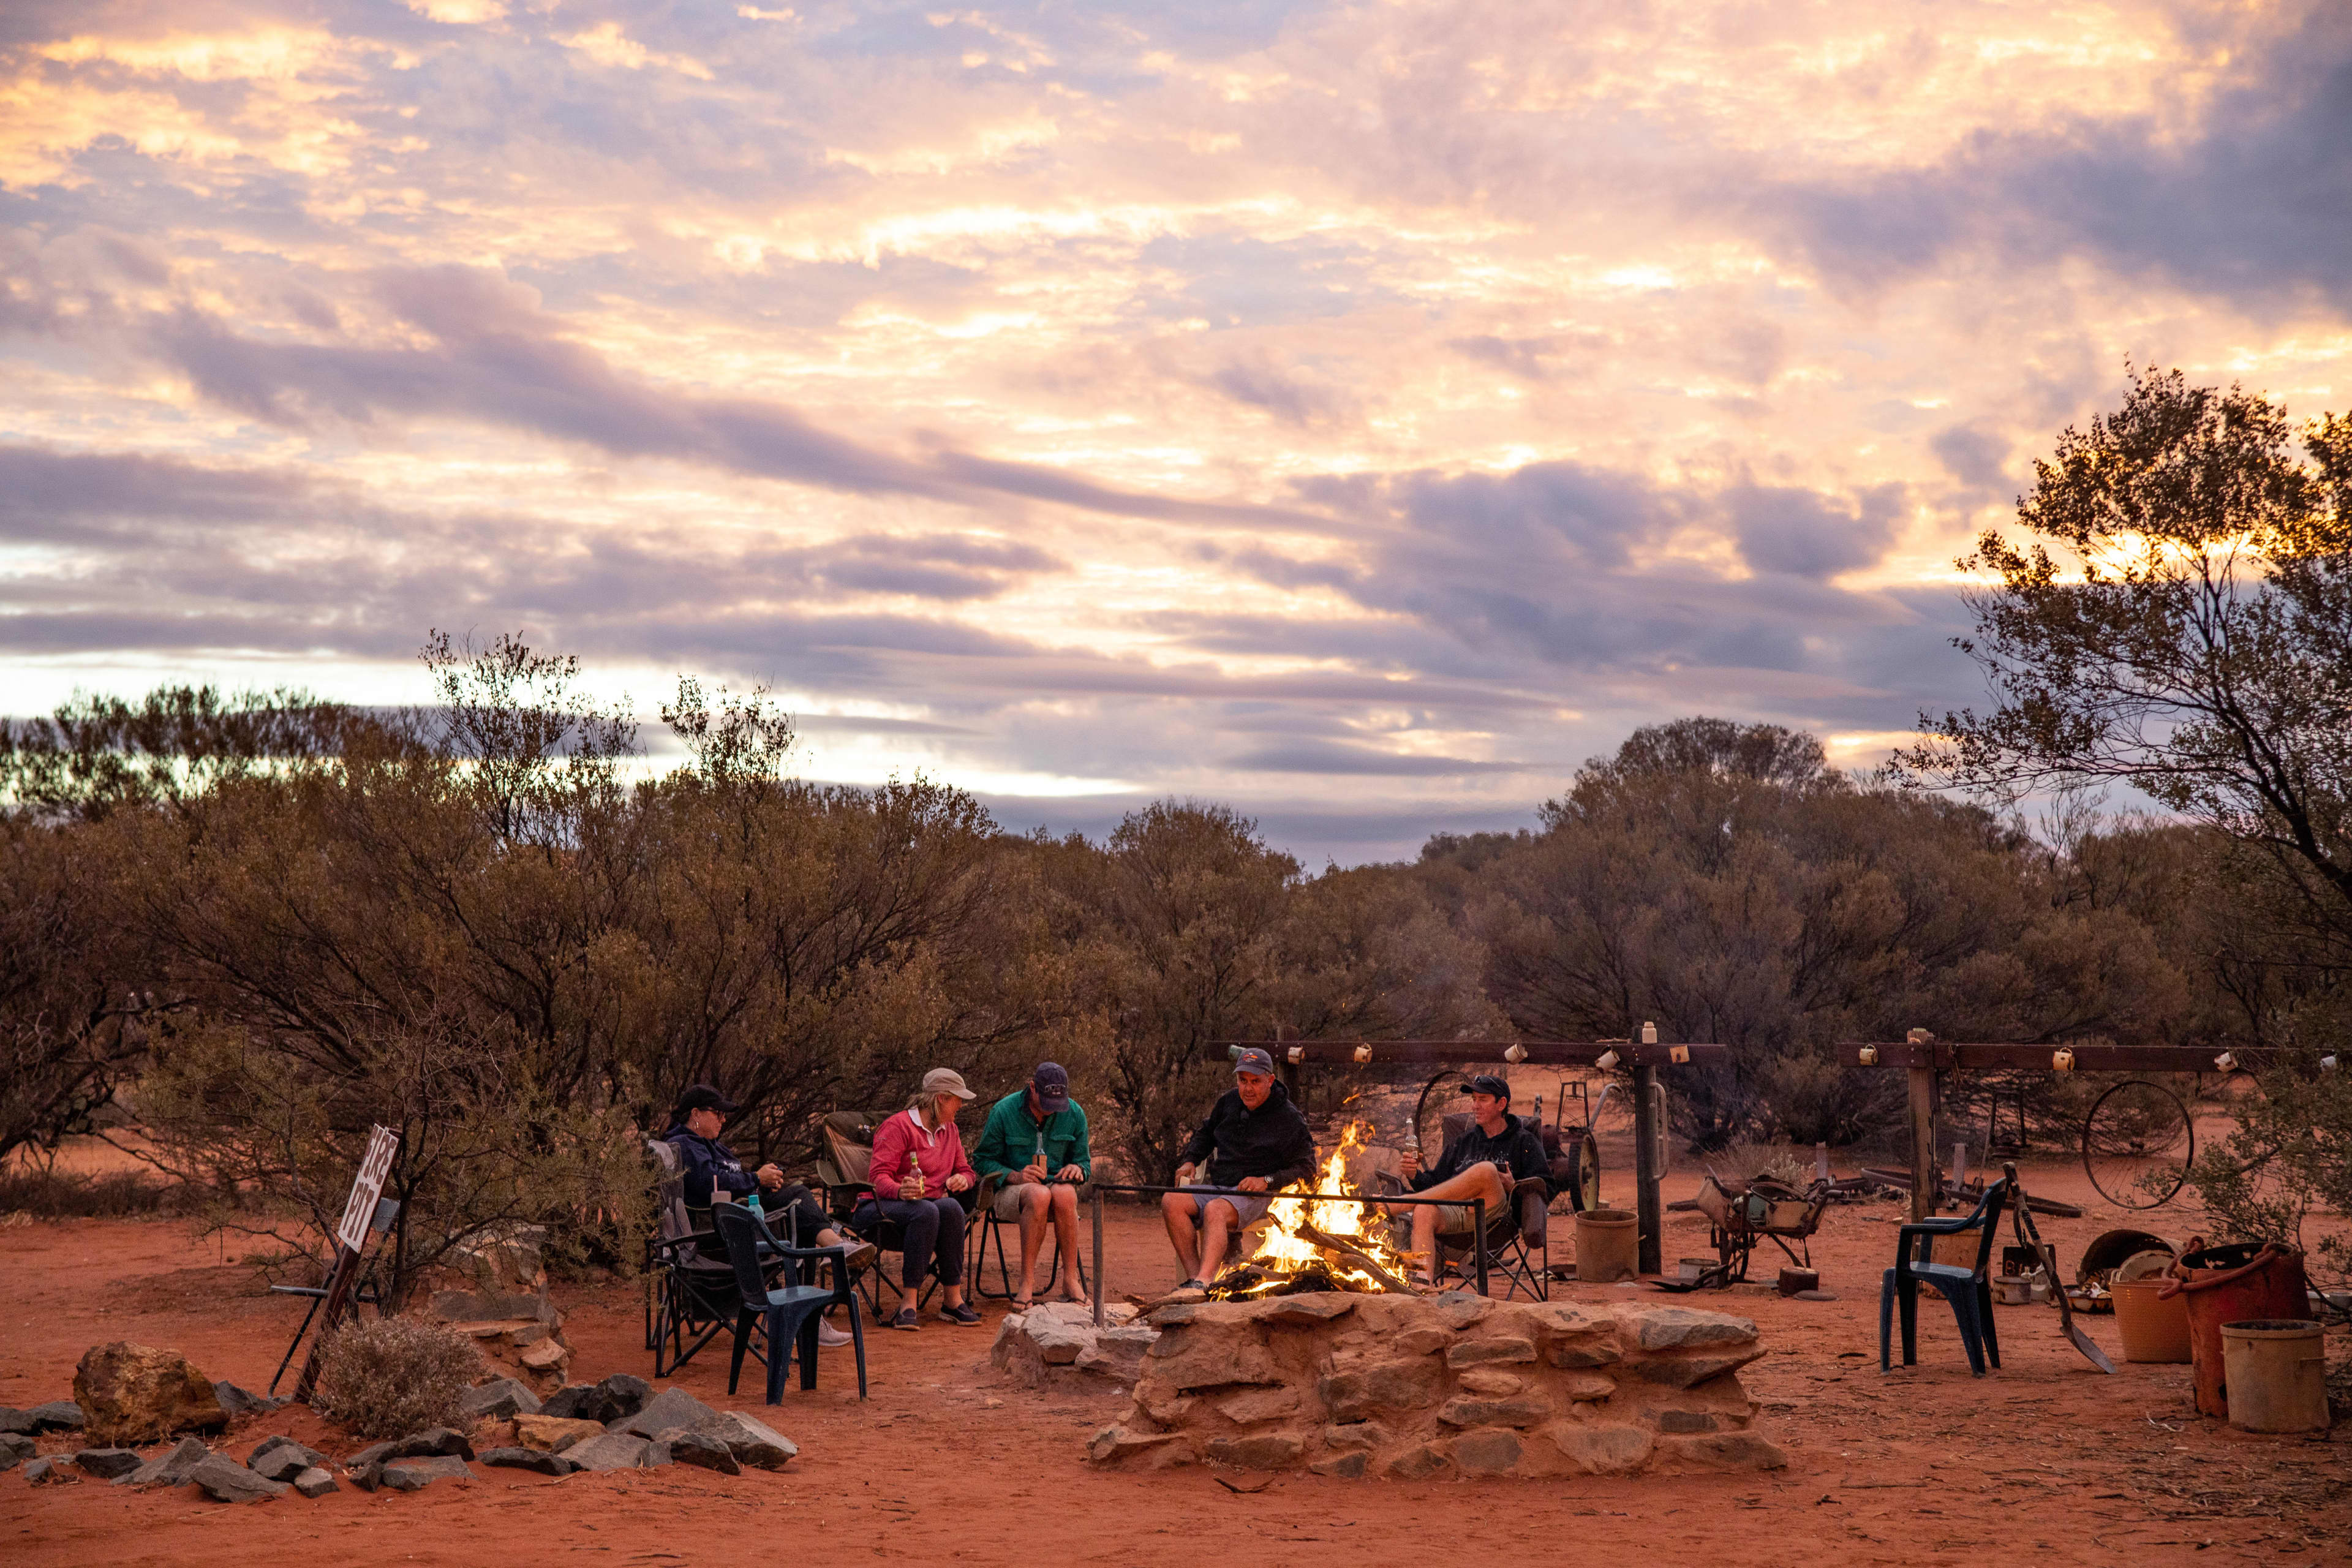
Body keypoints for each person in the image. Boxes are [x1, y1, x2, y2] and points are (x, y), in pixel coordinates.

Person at [662, 1084, 875, 1345]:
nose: (724, 1119)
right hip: (718, 1233)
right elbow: (709, 1183)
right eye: (718, 1113)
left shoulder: (709, 1145)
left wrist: (762, 1179)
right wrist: (755, 1179)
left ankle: (812, 1308)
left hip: (735, 1219)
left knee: (799, 1209)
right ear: (695, 1113)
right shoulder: (685, 1144)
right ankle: (830, 1264)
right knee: (799, 1202)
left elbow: (728, 1177)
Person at [1160, 1048, 1316, 1291]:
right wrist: (1190, 1160)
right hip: (1222, 1186)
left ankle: (1204, 1280)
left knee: (1215, 1210)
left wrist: (1267, 1180)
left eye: (1255, 1081)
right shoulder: (1229, 1102)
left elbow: (1307, 1169)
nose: (1248, 1088)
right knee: (1172, 1200)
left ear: (1270, 1081)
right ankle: (1194, 1281)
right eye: (1243, 1081)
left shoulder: (1289, 1118)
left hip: (1261, 1193)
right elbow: (1206, 1134)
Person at [1387, 1074, 1550, 1288]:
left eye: (1482, 1100)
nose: (1475, 1106)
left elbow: (1545, 1185)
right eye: (1474, 1099)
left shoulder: (1523, 1141)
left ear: (1501, 1104)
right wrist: (1414, 1175)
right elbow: (1436, 1184)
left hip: (1496, 1221)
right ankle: (1421, 1288)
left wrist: (1514, 1186)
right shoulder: (1464, 1142)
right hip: (1456, 1218)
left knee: (1485, 1171)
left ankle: (1402, 1203)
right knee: (1424, 1211)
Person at [859, 1068, 982, 1330]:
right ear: (940, 1099)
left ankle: (952, 1301)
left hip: (926, 1210)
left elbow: (966, 1170)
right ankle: (908, 1304)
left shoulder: (951, 1131)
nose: (960, 1105)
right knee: (928, 1211)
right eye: (956, 1099)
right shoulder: (898, 1126)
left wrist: (965, 1180)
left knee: (950, 1207)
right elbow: (877, 1178)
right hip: (878, 1207)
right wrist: (899, 1190)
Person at [972, 1061, 1091, 1306]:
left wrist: (1077, 1170)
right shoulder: (1004, 1111)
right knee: (1038, 1195)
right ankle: (1027, 1282)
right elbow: (982, 1161)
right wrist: (1014, 1175)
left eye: (1057, 1105)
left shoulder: (1075, 1113)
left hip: (1056, 1189)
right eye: (1046, 1102)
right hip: (1011, 1191)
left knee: (1066, 1194)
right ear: (1033, 1087)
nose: (1051, 1111)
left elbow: (1084, 1162)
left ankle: (1070, 1279)